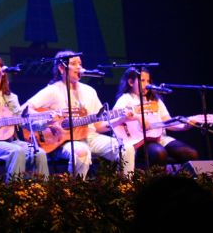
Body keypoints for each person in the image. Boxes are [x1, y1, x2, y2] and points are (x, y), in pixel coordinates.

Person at [22, 50, 135, 178]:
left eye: (80, 64)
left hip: (91, 137)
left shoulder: (89, 91)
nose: (79, 67)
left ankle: (125, 187)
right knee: (82, 152)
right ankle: (76, 190)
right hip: (63, 140)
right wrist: (49, 119)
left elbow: (98, 125)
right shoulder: (53, 90)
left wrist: (121, 119)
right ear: (61, 68)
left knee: (126, 148)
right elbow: (24, 110)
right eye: (74, 63)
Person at [113, 68, 199, 168]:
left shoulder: (154, 100)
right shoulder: (126, 99)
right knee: (159, 153)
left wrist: (185, 126)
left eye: (148, 81)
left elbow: (167, 122)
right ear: (131, 82)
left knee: (191, 154)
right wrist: (138, 118)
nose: (146, 84)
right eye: (142, 80)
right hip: (140, 141)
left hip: (160, 138)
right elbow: (116, 119)